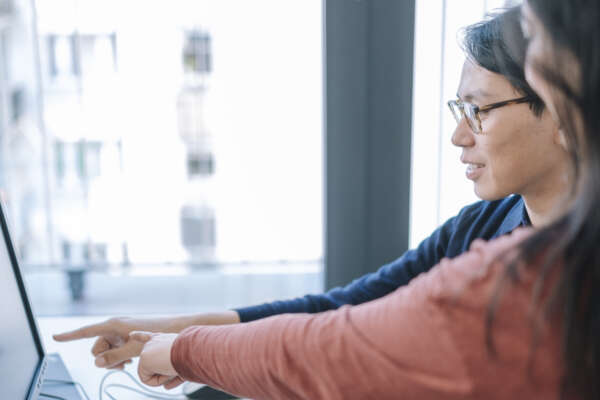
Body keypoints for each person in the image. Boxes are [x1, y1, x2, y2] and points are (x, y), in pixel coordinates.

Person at [53, 6, 573, 372]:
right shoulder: (482, 226)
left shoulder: (562, 277)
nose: (459, 135)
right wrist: (170, 333)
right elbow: (337, 312)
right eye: (460, 110)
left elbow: (348, 345)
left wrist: (187, 350)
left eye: (479, 110)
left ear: (564, 112)